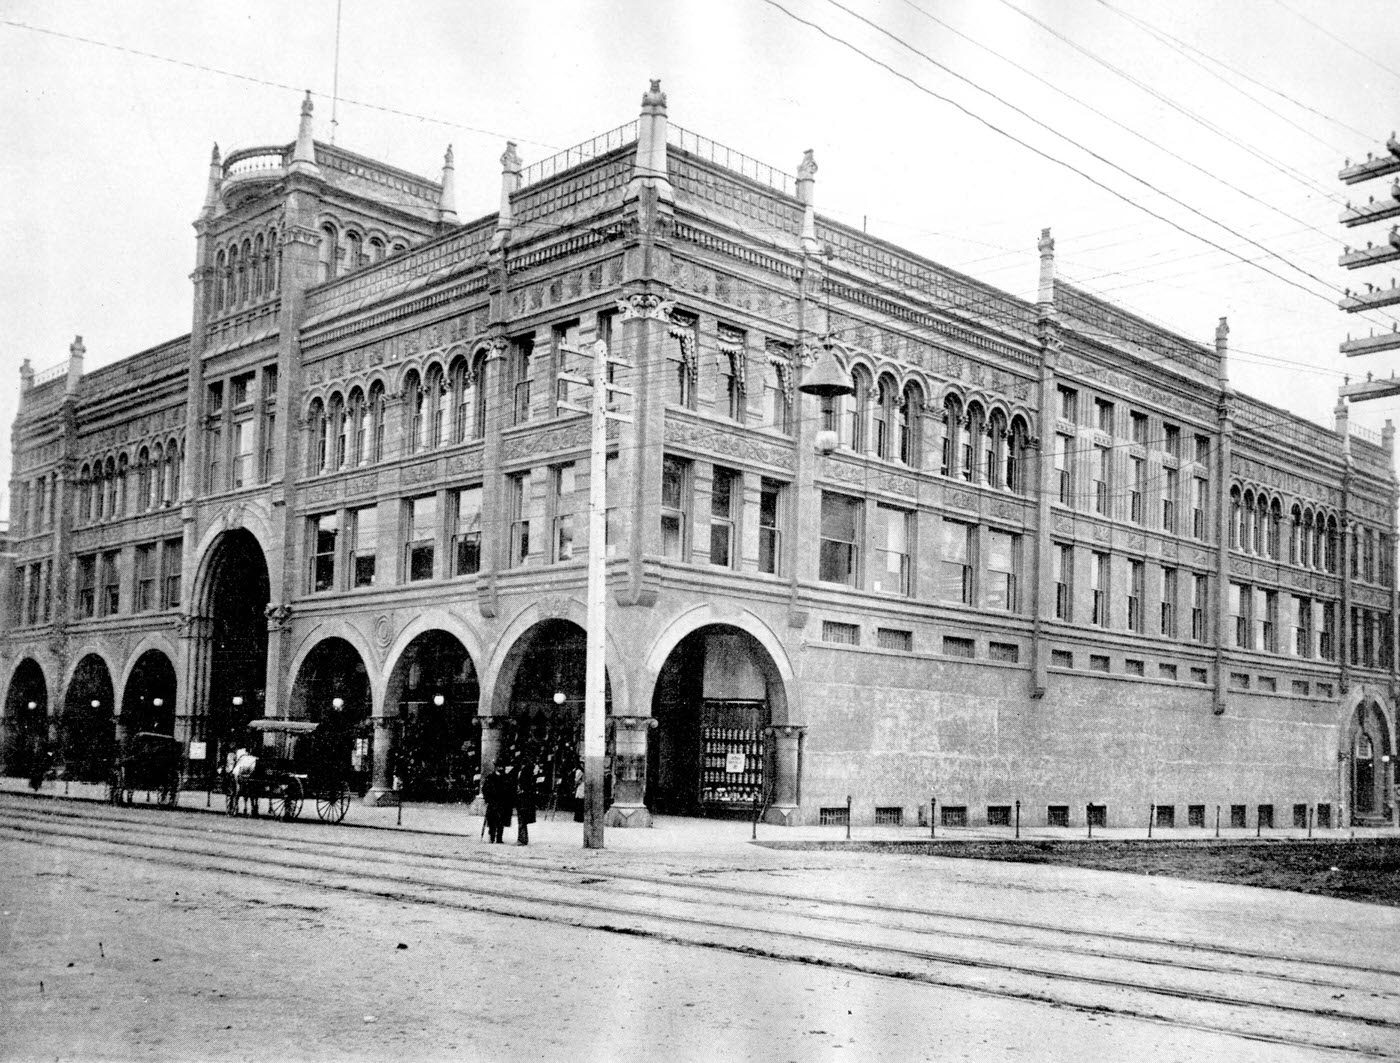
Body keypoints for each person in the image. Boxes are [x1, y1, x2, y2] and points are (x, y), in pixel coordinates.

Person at [482, 764, 515, 843]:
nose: (500, 768)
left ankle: (499, 838)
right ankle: (492, 836)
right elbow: (485, 789)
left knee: (501, 821)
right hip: (493, 802)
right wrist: (488, 799)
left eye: (501, 767)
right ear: (496, 767)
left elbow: (510, 790)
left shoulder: (506, 778)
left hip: (503, 803)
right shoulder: (490, 777)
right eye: (499, 766)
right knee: (492, 821)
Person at [516, 764, 537, 846]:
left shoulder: (525, 773)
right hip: (524, 799)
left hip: (523, 799)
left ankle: (522, 839)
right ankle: (523, 838)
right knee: (522, 820)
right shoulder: (527, 772)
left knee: (522, 820)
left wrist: (521, 790)